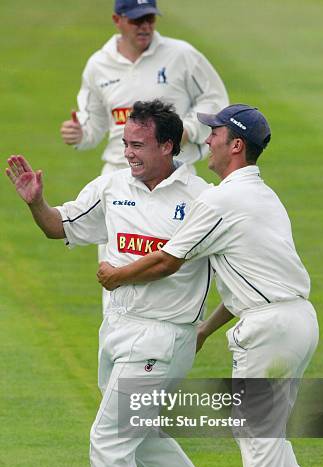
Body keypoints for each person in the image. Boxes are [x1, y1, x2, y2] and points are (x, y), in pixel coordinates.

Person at [96, 103, 323, 467]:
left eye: (216, 133)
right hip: (299, 323)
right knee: (267, 435)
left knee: (257, 448)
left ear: (236, 145)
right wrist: (207, 329)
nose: (206, 139)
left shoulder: (219, 202)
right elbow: (245, 279)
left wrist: (114, 275)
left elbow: (167, 261)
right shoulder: (264, 197)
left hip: (266, 331)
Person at [5, 100, 252, 467]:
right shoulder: (113, 186)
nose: (128, 153)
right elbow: (60, 226)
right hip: (116, 331)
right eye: (125, 143)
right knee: (142, 445)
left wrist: (124, 280)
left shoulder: (203, 198)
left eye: (138, 145)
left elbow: (175, 265)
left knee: (110, 442)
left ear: (168, 146)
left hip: (164, 336)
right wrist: (36, 202)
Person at [60, 0, 229, 313]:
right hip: (118, 180)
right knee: (118, 269)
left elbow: (216, 101)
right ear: (117, 20)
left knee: (170, 263)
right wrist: (80, 135)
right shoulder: (99, 65)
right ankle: (121, 345)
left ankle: (167, 345)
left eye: (150, 18)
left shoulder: (182, 56)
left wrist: (187, 130)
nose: (145, 26)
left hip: (174, 177)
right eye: (137, 20)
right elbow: (94, 127)